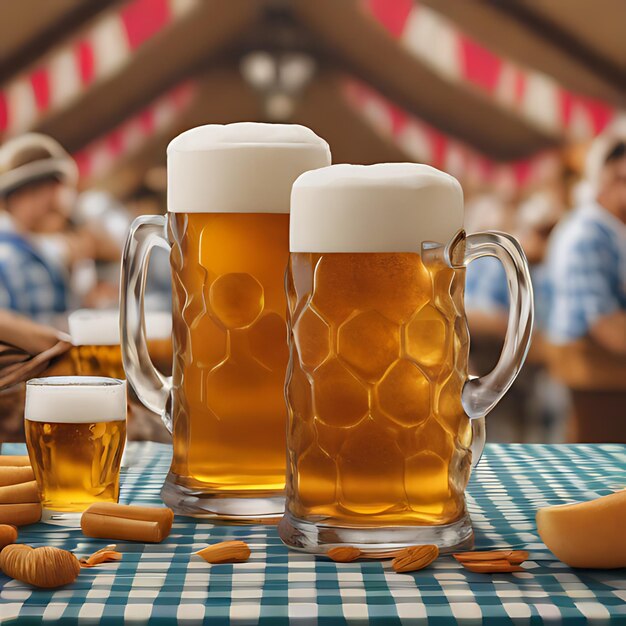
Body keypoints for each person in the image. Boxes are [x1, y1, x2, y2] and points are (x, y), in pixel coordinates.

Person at [543, 122, 626, 442]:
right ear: (609, 178)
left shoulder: (606, 231)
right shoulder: (588, 235)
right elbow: (606, 327)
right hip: (597, 388)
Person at [0, 134, 79, 320]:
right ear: (19, 195)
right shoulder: (7, 257)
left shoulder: (43, 251)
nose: (59, 202)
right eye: (50, 188)